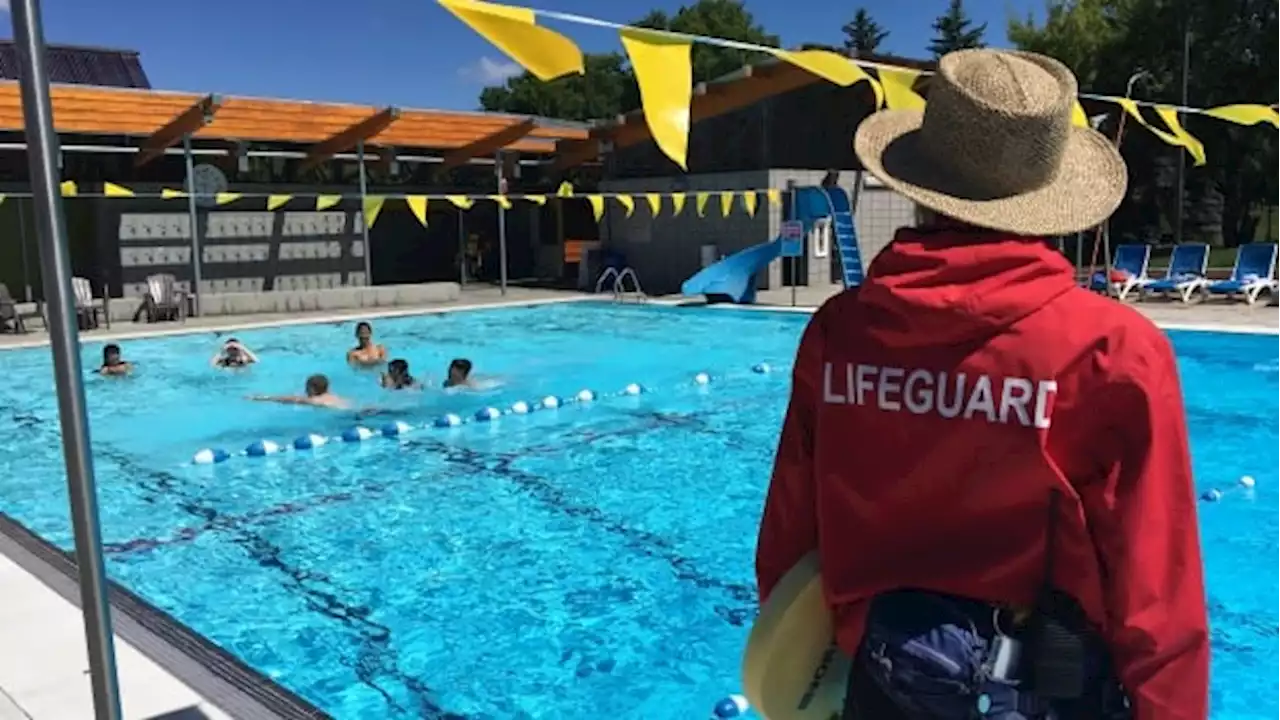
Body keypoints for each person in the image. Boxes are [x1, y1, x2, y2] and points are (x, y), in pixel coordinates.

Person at [756, 49, 1207, 720]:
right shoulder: (1113, 352)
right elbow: (1158, 592)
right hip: (1040, 694)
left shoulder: (839, 333)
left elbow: (787, 548)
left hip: (879, 686)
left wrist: (811, 668)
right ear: (1048, 198)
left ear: (918, 185)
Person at [249, 374, 350, 409]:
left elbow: (289, 399)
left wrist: (262, 398)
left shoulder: (316, 401)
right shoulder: (335, 397)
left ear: (312, 389)